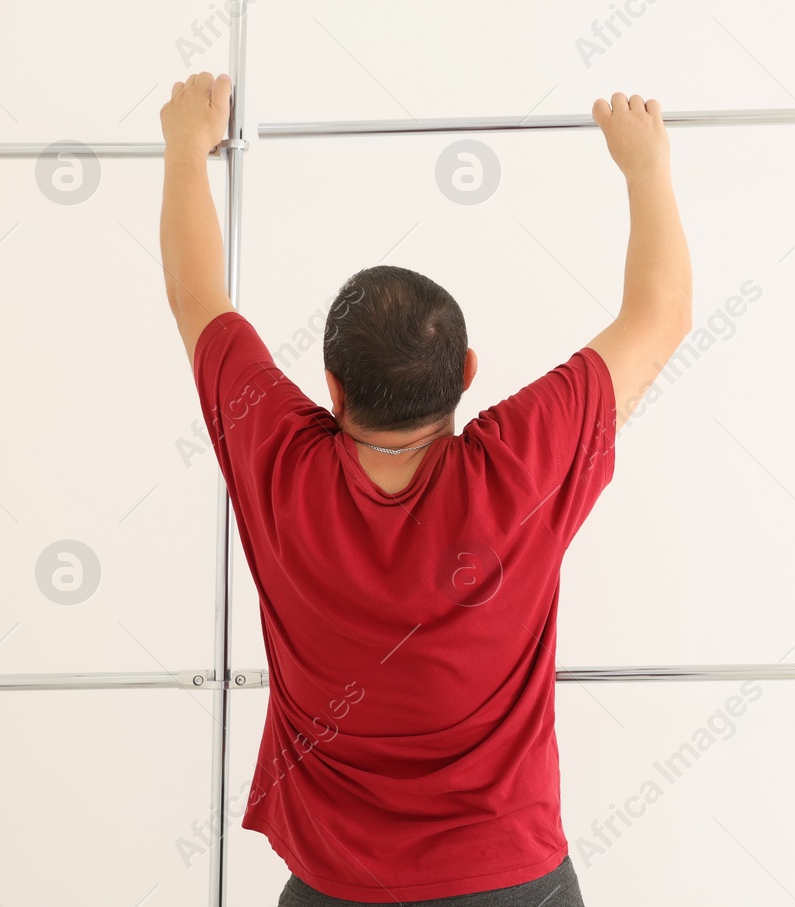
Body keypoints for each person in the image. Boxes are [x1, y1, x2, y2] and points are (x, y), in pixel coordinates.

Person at [157, 73, 693, 905]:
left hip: (336, 888)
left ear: (331, 387)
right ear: (468, 375)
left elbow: (199, 299)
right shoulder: (517, 465)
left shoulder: (279, 462)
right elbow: (660, 314)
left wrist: (185, 149)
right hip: (513, 882)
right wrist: (644, 165)